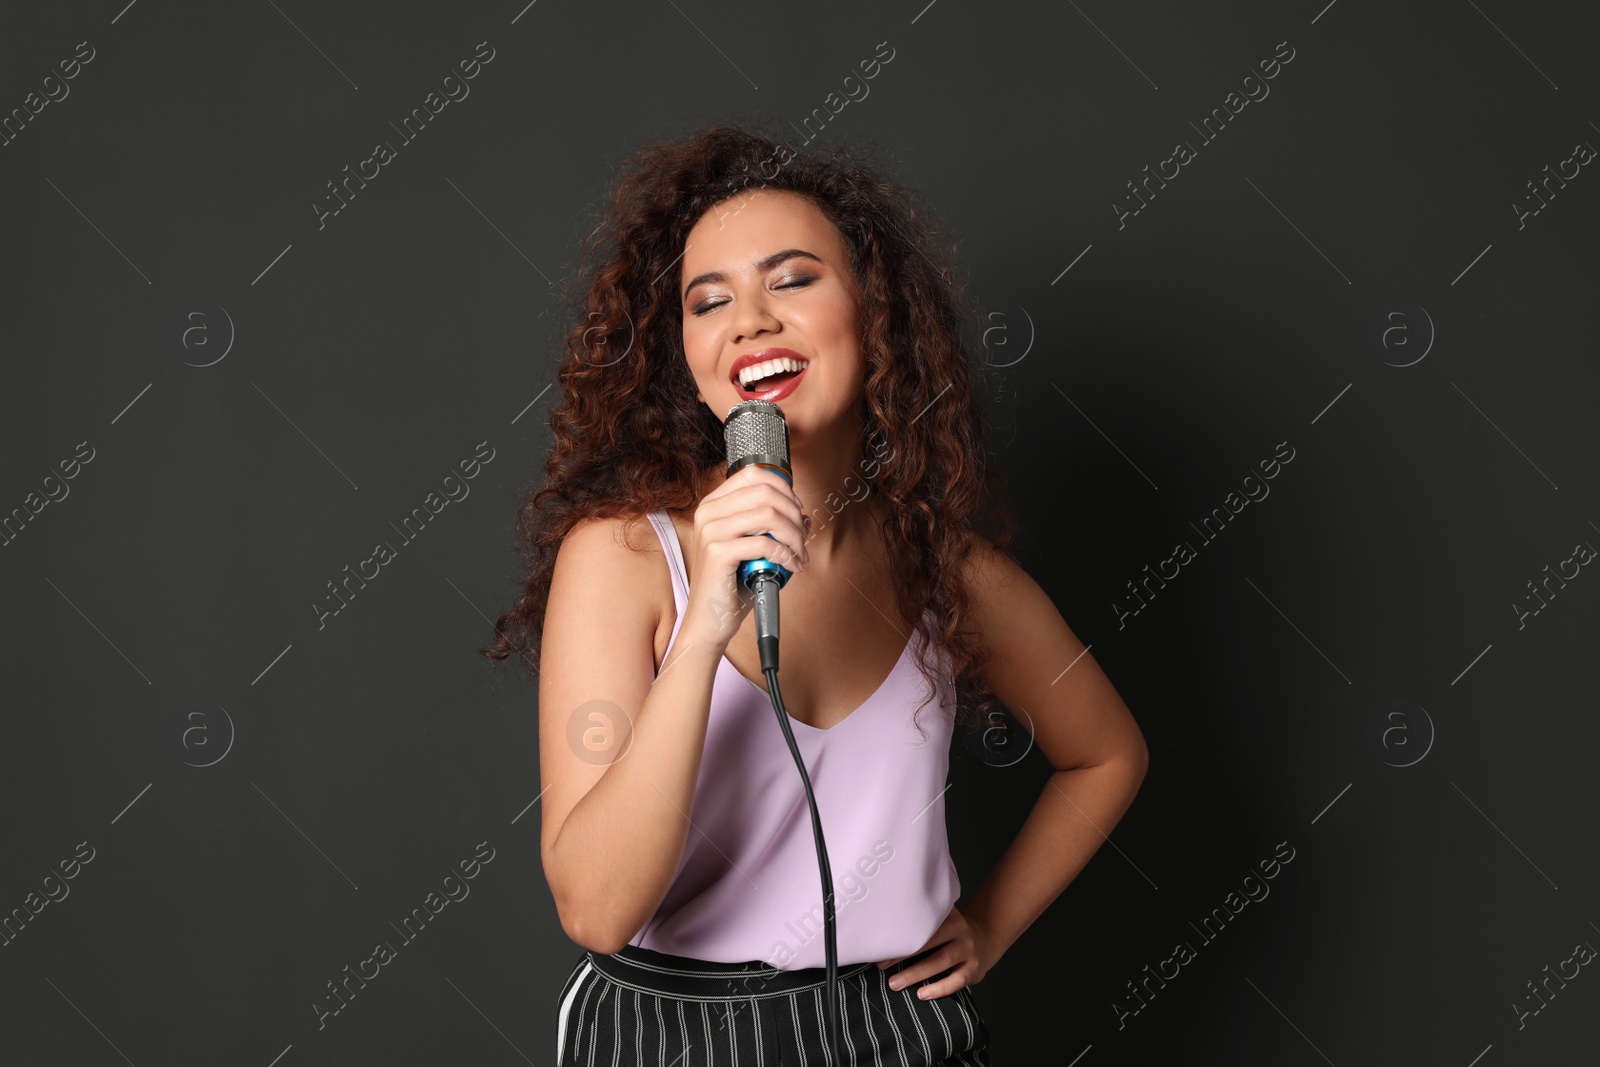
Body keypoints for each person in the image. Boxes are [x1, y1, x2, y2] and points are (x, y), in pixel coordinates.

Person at [483, 122, 1149, 1066]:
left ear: (877, 314)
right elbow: (594, 908)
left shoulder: (946, 571)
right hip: (675, 1036)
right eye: (707, 301)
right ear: (688, 355)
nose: (749, 320)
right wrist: (708, 620)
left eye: (792, 279)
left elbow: (1107, 753)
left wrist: (989, 926)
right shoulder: (626, 556)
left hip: (896, 1030)